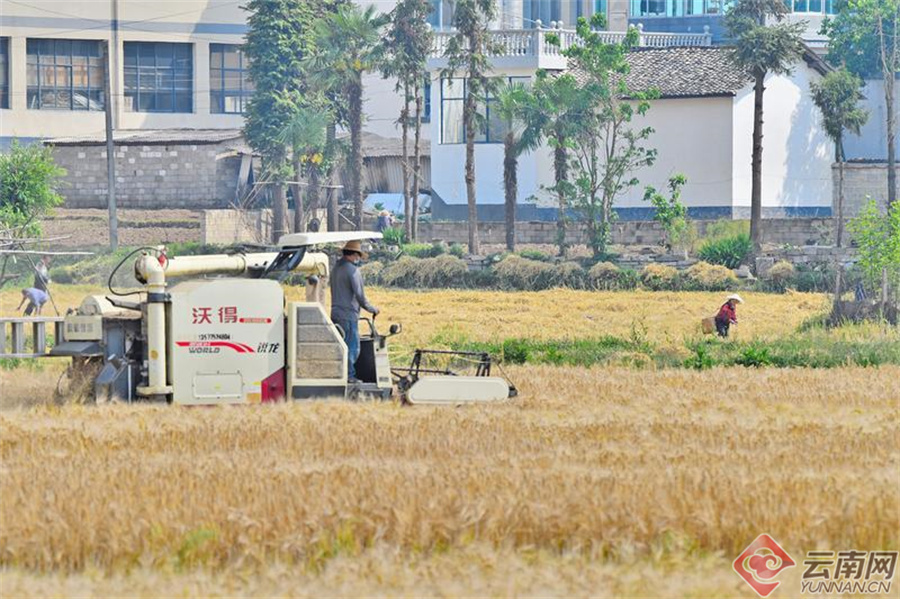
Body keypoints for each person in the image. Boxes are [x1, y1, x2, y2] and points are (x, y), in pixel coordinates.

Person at [330, 240, 379, 382]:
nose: (358, 258)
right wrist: (372, 309)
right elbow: (360, 296)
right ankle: (349, 376)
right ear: (354, 254)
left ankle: (339, 374)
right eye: (358, 255)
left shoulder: (336, 268)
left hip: (335, 313)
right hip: (348, 314)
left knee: (340, 346)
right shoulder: (352, 270)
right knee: (352, 347)